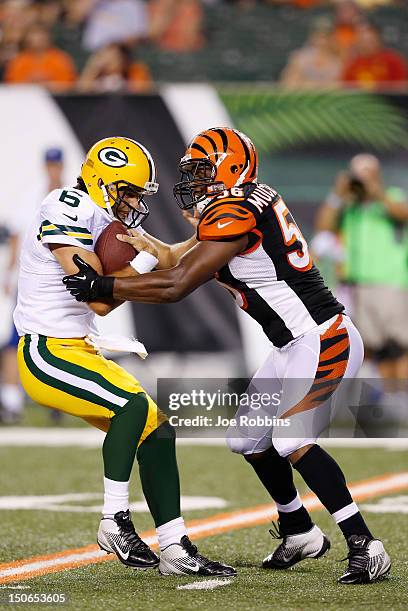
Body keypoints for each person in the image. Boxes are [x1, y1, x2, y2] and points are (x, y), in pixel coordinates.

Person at [64, 127, 391, 585]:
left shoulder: (236, 210)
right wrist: (154, 250)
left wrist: (106, 286)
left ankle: (365, 545)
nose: (193, 181)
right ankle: (299, 529)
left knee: (291, 439)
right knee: (246, 440)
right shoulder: (240, 204)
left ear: (231, 170)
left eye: (201, 171)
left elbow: (179, 284)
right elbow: (185, 255)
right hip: (292, 346)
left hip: (323, 337)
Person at [13, 136, 235, 577]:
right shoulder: (66, 206)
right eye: (129, 191)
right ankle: (114, 519)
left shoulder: (110, 220)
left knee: (157, 432)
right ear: (104, 181)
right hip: (46, 350)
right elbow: (96, 295)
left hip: (79, 349)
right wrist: (144, 261)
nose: (134, 201)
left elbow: (166, 257)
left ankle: (174, 547)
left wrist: (206, 233)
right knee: (132, 408)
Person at [315, 154, 408, 390]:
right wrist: (337, 195)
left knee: (399, 345)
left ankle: (403, 399)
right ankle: (390, 402)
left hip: (389, 282)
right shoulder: (349, 207)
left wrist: (375, 191)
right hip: (358, 285)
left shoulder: (392, 197)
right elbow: (324, 227)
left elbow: (401, 213)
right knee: (375, 348)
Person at [1, 147, 66, 424]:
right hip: (30, 280)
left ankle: (61, 400)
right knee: (16, 340)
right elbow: (16, 237)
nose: (53, 169)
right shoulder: (31, 197)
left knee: (64, 340)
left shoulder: (69, 197)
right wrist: (9, 274)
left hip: (61, 280)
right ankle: (12, 401)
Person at [4, 23, 76, 90]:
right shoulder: (19, 61)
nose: (38, 39)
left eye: (41, 35)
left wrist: (48, 84)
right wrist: (30, 82)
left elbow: (68, 86)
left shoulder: (60, 59)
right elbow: (12, 86)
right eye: (33, 35)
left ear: (48, 37)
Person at [341, 22, 408, 90]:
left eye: (370, 40)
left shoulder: (392, 60)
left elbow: (401, 88)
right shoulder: (353, 64)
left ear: (378, 39)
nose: (366, 45)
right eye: (363, 41)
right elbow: (345, 88)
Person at [280, 18, 342, 89]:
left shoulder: (337, 61)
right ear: (311, 36)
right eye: (317, 36)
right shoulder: (300, 57)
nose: (321, 42)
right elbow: (288, 83)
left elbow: (337, 86)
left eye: (325, 37)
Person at [77, 43, 151, 93]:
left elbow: (140, 93)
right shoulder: (96, 77)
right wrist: (92, 68)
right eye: (104, 55)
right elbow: (79, 92)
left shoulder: (133, 72)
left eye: (114, 57)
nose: (108, 59)